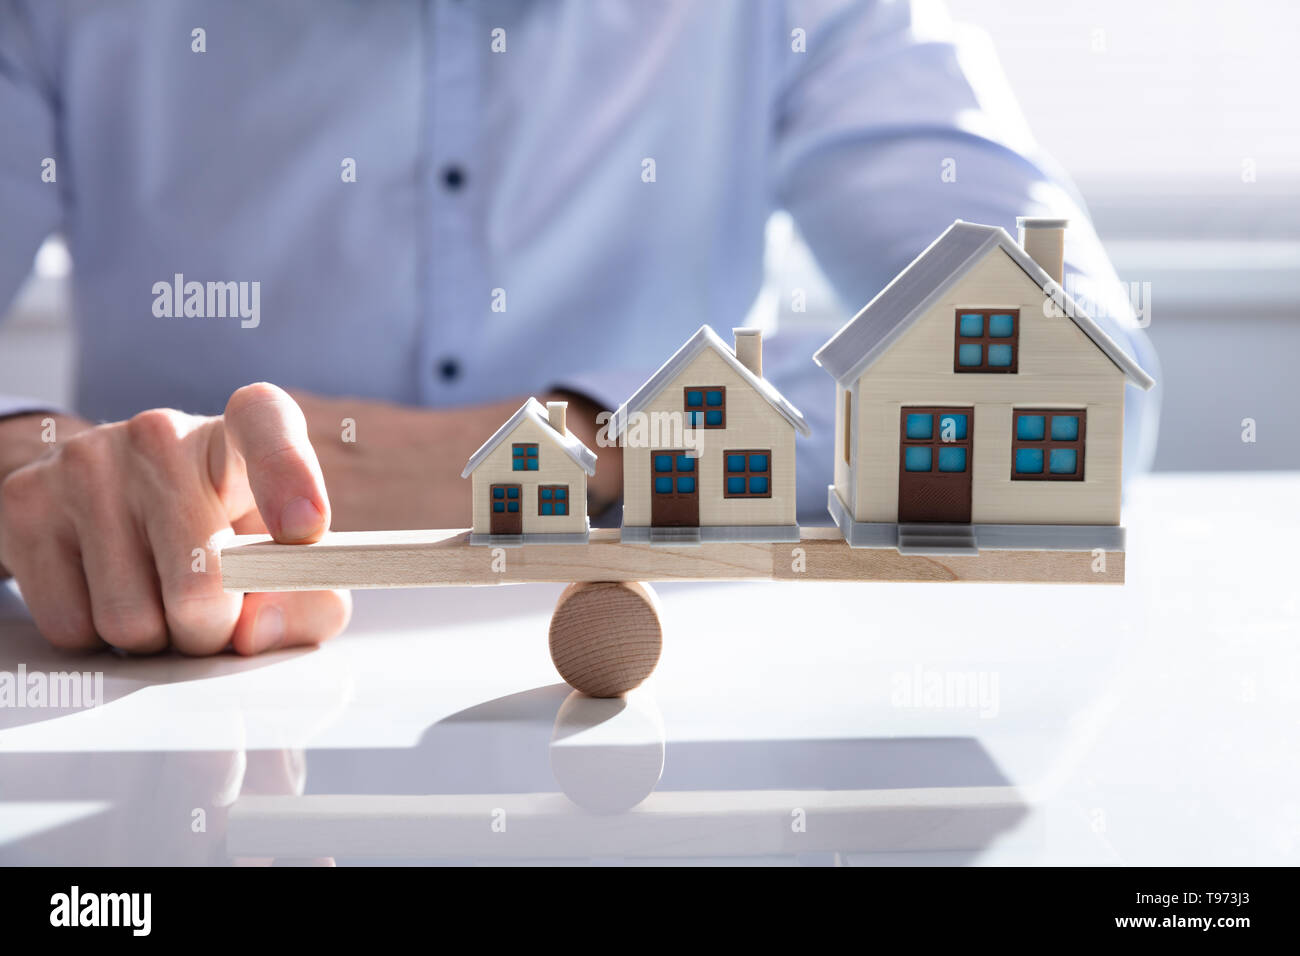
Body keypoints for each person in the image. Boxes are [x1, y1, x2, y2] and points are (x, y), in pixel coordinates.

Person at [0, 0, 1158, 656]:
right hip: (161, 699)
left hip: (664, 725)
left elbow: (1080, 381)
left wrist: (576, 443)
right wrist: (36, 469)